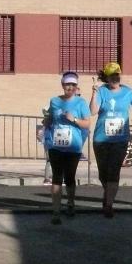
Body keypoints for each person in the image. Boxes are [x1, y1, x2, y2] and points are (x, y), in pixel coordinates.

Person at [90, 62, 132, 218]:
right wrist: (94, 93)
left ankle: (108, 204)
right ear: (106, 77)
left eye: (117, 75)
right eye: (112, 75)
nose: (115, 78)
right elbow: (93, 111)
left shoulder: (127, 92)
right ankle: (108, 195)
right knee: (103, 174)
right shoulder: (101, 91)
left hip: (120, 140)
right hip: (101, 138)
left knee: (114, 172)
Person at [43, 71, 91, 225]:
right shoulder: (54, 101)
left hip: (73, 146)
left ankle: (70, 203)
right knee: (56, 177)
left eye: (73, 84)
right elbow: (50, 119)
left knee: (69, 177)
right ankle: (56, 211)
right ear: (62, 85)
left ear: (76, 87)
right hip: (56, 145)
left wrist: (74, 119)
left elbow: (87, 123)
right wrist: (46, 122)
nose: (69, 87)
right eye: (67, 84)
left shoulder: (81, 103)